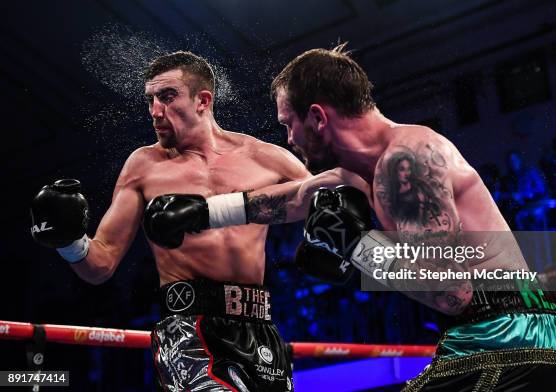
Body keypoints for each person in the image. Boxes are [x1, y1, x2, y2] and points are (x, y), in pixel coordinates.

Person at [144, 44, 556, 391]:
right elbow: (292, 199)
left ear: (318, 117)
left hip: (505, 341)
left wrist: (358, 247)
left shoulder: (409, 160)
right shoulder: (362, 171)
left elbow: (453, 293)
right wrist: (203, 212)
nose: (289, 138)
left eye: (289, 123)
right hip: (533, 345)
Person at [29, 51, 367, 392]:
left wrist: (336, 247)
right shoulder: (143, 166)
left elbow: (332, 201)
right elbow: (100, 264)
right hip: (188, 329)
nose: (155, 111)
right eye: (150, 100)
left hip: (261, 328)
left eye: (167, 97)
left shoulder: (265, 158)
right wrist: (69, 241)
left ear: (203, 100)